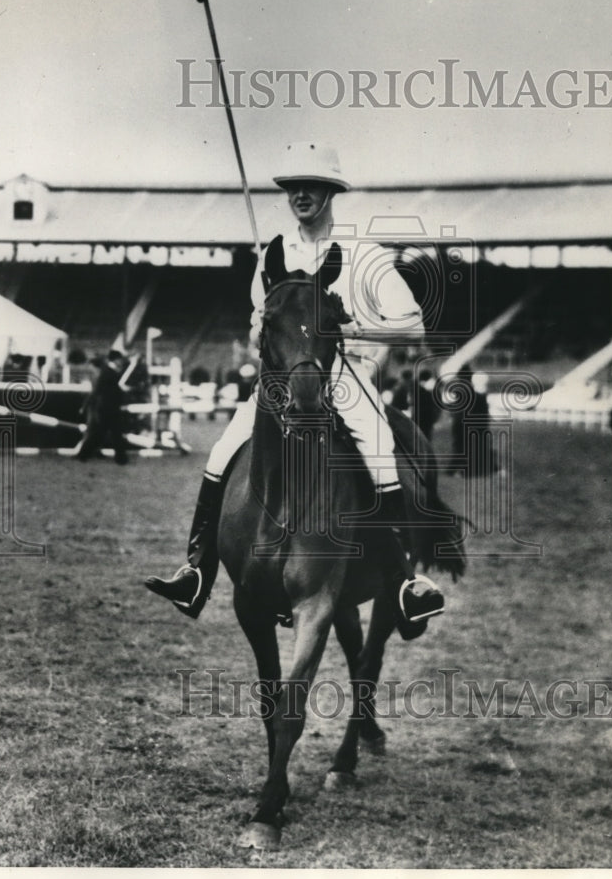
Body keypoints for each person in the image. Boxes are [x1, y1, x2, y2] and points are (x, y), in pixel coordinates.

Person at [146, 141, 444, 632]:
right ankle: (197, 570)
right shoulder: (273, 255)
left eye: (311, 186)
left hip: (343, 376)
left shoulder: (362, 254)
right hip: (283, 380)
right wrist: (260, 328)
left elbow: (413, 328)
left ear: (331, 191)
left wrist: (347, 330)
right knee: (222, 451)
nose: (300, 194)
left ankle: (401, 581)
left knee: (378, 446)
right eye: (292, 187)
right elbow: (252, 326)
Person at [76, 349, 131, 465]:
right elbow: (100, 391)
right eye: (120, 360)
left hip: (105, 408)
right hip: (108, 408)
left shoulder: (107, 371)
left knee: (100, 434)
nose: (121, 362)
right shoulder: (109, 372)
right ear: (116, 360)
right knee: (112, 434)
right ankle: (120, 458)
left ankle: (83, 455)